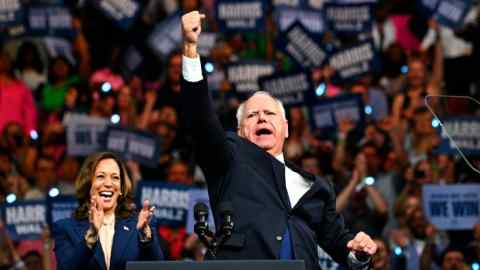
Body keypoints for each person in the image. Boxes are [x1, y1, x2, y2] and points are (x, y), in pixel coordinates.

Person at [180, 11, 377, 270]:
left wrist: (360, 252)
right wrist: (190, 48)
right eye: (252, 115)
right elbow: (200, 120)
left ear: (285, 128)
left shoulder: (316, 186)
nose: (262, 118)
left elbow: (342, 246)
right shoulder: (229, 158)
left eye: (269, 113)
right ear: (240, 131)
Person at [53, 152, 163, 270]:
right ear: (88, 183)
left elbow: (159, 268)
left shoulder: (140, 224)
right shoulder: (65, 228)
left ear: (121, 188)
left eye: (115, 177)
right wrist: (91, 237)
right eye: (101, 176)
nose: (108, 184)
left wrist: (146, 237)